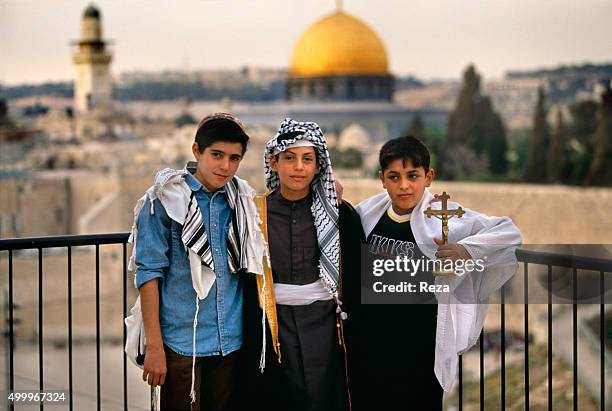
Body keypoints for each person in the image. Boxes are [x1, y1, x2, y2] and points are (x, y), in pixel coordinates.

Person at [349, 135, 522, 410]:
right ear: (382, 179)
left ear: (428, 177)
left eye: (412, 176)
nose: (404, 185)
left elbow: (508, 232)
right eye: (394, 177)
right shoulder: (368, 213)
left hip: (420, 346)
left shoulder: (445, 215)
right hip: (372, 344)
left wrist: (467, 250)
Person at [128, 113, 266, 410]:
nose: (225, 166)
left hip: (230, 342)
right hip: (181, 344)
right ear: (196, 151)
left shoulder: (242, 202)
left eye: (234, 158)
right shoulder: (163, 202)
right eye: (217, 155)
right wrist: (154, 347)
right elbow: (149, 274)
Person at [243, 118, 364, 411]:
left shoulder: (339, 214)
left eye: (307, 159)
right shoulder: (254, 213)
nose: (298, 167)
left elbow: (359, 276)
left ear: (317, 165)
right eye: (290, 158)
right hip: (274, 327)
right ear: (274, 162)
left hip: (327, 327)